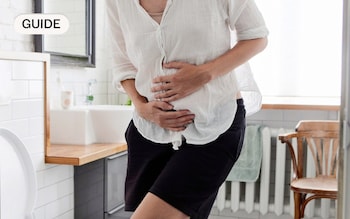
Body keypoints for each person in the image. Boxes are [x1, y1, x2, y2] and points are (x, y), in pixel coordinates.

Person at [106, 0, 268, 218]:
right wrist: (141, 106)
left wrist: (204, 74)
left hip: (212, 125)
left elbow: (256, 37)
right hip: (150, 131)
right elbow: (122, 62)